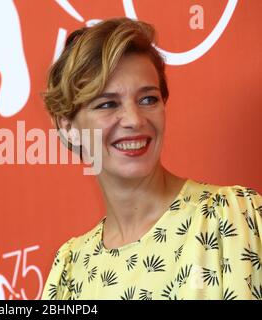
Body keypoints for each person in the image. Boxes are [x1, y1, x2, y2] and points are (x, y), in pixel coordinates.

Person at [40, 17, 262, 300]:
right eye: (107, 104)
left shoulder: (230, 218)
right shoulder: (70, 269)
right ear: (68, 128)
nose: (134, 119)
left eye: (148, 99)